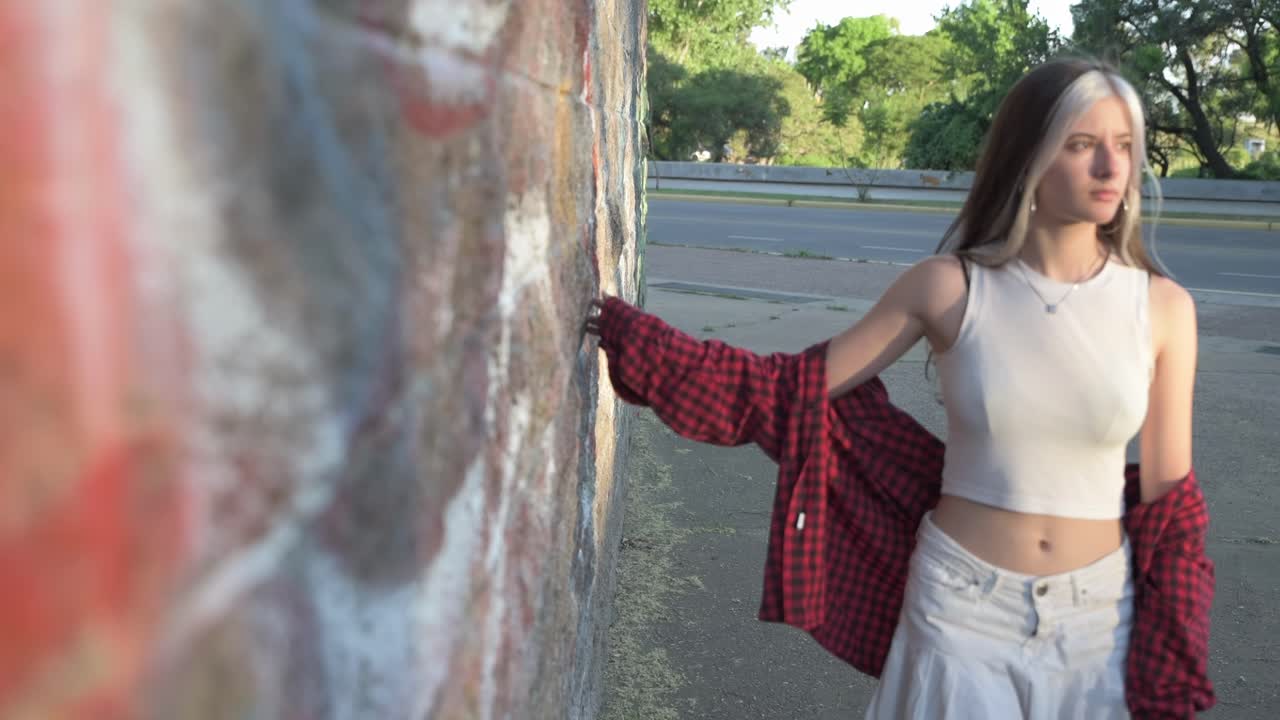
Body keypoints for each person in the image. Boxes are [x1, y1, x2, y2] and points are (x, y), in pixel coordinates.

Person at [587, 57, 1208, 718]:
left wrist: (1171, 643)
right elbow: (789, 392)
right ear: (1030, 156)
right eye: (1082, 145)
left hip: (1097, 622)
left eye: (1124, 146)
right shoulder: (948, 288)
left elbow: (1171, 501)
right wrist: (647, 346)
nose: (1112, 169)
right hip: (963, 613)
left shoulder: (1163, 308)